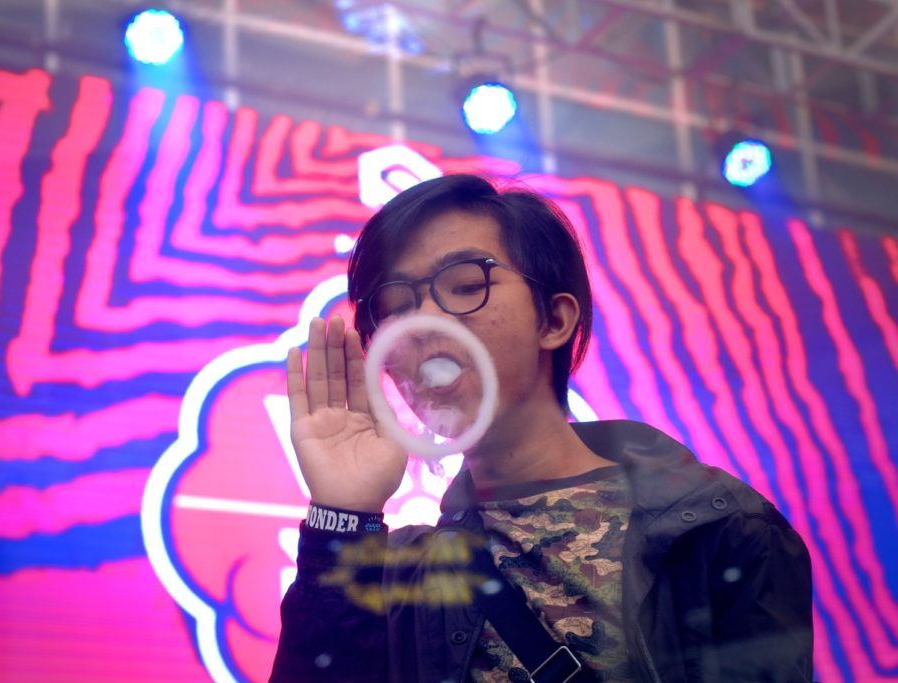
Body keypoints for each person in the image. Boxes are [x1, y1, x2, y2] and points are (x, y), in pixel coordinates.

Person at [271, 173, 813, 682]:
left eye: (464, 285)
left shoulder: (717, 529)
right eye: (394, 306)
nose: (422, 323)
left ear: (554, 320)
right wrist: (342, 515)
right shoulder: (401, 574)